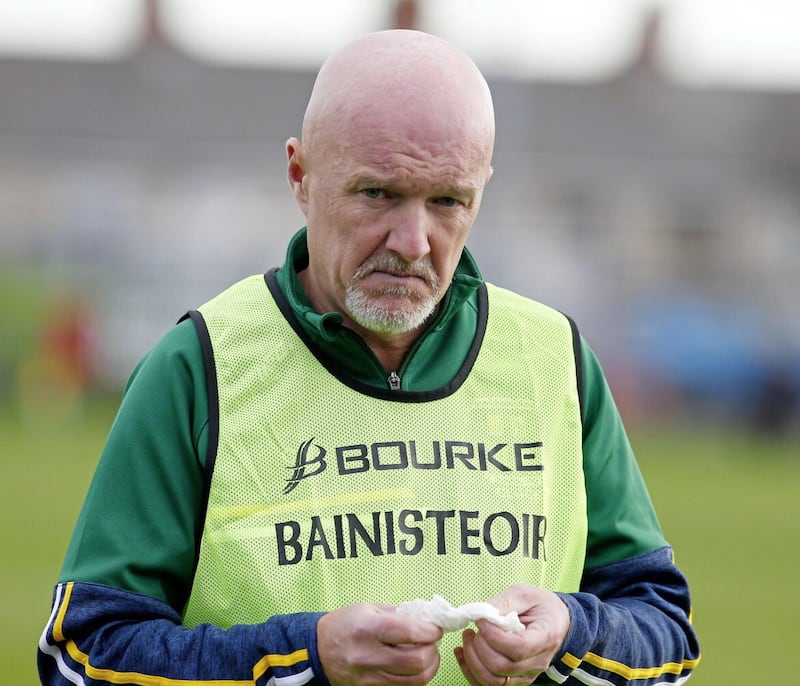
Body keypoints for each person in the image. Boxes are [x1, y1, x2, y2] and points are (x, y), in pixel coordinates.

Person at [38, 29, 700, 686]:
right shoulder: (200, 367)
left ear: (482, 190)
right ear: (301, 176)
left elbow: (667, 637)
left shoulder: (553, 360)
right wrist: (306, 656)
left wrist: (570, 631)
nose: (412, 242)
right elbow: (81, 657)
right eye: (378, 194)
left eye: (447, 201)